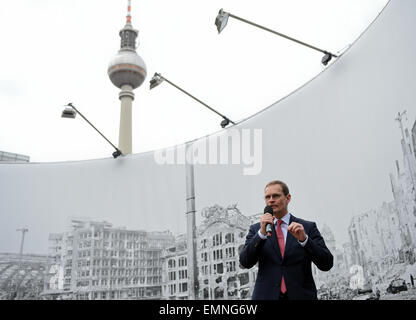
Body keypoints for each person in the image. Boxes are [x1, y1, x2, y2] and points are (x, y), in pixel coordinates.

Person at [239, 180, 334, 300]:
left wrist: (305, 240)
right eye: (267, 197)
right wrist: (261, 234)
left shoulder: (307, 227)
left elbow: (326, 264)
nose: (271, 200)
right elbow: (245, 262)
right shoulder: (256, 229)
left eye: (276, 196)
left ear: (288, 198)